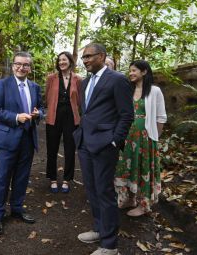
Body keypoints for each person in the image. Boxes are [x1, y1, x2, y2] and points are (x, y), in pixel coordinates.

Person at [73, 43, 134, 255]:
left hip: (105, 145)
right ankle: (99, 230)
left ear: (102, 56)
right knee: (91, 190)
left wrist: (115, 140)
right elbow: (87, 112)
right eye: (83, 58)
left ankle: (109, 245)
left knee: (105, 192)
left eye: (89, 56)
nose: (85, 60)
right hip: (85, 143)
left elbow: (126, 114)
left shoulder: (117, 80)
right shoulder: (85, 82)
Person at [0, 51, 43, 235]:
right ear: (12, 66)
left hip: (28, 139)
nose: (22, 67)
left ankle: (17, 209)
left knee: (22, 177)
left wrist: (38, 114)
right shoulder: (3, 84)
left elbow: (41, 108)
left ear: (30, 67)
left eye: (26, 65)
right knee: (2, 178)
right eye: (18, 64)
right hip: (8, 138)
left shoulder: (35, 87)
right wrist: (16, 117)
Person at [115, 60, 167, 217]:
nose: (131, 73)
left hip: (145, 139)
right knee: (127, 168)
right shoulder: (128, 90)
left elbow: (161, 117)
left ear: (144, 72)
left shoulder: (154, 91)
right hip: (127, 138)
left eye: (134, 70)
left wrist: (154, 138)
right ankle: (130, 199)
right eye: (130, 71)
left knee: (143, 169)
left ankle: (144, 205)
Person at [45, 52, 82, 193]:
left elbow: (79, 100)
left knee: (70, 149)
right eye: (59, 60)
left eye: (64, 60)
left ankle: (67, 179)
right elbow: (47, 96)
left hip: (71, 117)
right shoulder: (51, 78)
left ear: (70, 61)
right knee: (52, 149)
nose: (61, 62)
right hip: (54, 116)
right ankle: (53, 179)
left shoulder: (78, 79)